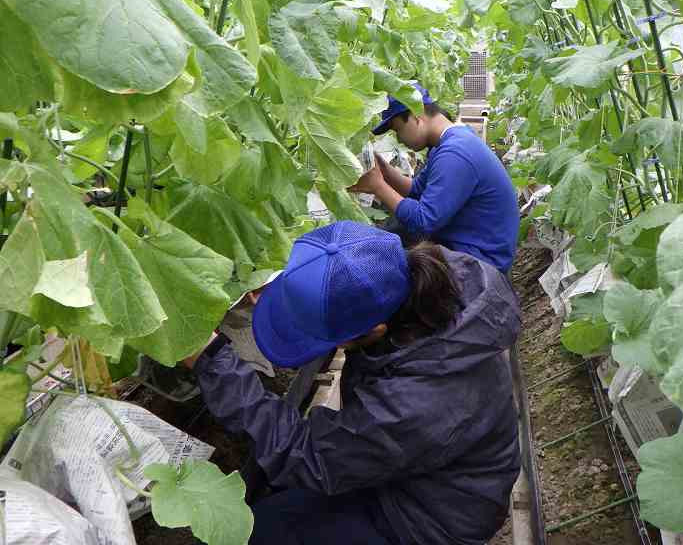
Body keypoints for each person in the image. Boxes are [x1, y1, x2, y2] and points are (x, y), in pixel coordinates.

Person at [184, 221, 521, 545]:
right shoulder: (418, 282)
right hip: (415, 470)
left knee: (255, 533)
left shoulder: (416, 403)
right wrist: (291, 291)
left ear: (375, 331)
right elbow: (336, 279)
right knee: (276, 505)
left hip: (430, 519)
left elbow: (307, 455)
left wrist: (210, 359)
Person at [350, 84, 520, 274]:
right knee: (391, 238)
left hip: (480, 266)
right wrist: (385, 171)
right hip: (469, 248)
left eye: (398, 130)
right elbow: (416, 190)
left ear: (416, 115)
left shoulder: (455, 153)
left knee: (380, 264)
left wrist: (378, 187)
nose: (399, 139)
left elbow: (423, 222)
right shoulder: (450, 141)